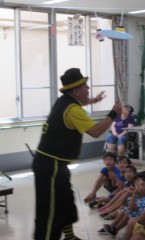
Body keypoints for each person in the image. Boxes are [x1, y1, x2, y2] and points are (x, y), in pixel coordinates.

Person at [32, 68, 122, 240]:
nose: (88, 88)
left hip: (56, 164)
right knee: (50, 211)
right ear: (76, 91)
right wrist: (113, 113)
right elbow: (96, 131)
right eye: (85, 86)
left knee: (66, 201)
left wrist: (94, 100)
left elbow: (83, 102)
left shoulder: (65, 101)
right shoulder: (73, 110)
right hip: (50, 166)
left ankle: (70, 237)